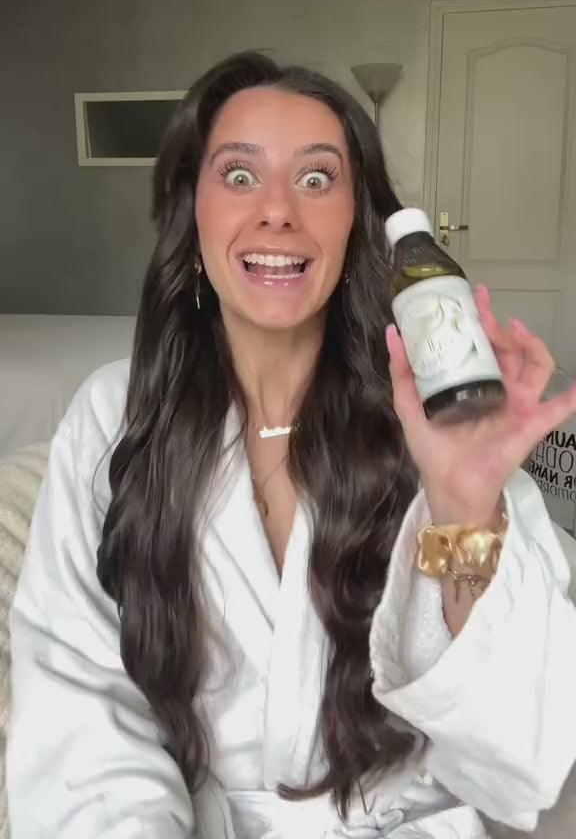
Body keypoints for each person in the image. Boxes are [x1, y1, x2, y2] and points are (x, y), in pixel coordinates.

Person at [7, 52, 576, 839]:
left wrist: (464, 506)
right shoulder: (116, 415)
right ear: (191, 209)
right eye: (239, 176)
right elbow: (81, 710)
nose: (278, 211)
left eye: (316, 179)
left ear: (356, 220)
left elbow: (518, 747)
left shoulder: (435, 411)